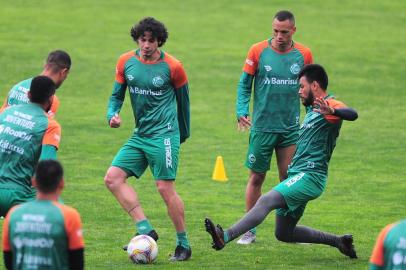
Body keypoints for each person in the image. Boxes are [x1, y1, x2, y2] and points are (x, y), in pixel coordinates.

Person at [205, 64, 358, 259]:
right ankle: (339, 241)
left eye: (302, 86)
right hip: (299, 175)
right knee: (284, 233)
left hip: (310, 176)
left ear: (315, 85)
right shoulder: (314, 110)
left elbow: (353, 114)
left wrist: (333, 112)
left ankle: (224, 235)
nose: (299, 91)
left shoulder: (331, 104)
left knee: (267, 200)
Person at [104, 17, 191, 261]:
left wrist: (182, 134)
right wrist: (112, 114)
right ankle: (145, 229)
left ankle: (183, 244)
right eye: (143, 39)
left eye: (151, 41)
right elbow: (115, 96)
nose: (146, 45)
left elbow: (184, 103)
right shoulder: (125, 62)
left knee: (165, 188)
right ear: (137, 39)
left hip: (164, 136)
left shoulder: (173, 66)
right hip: (140, 135)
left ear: (159, 41)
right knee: (113, 178)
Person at [235, 10, 313, 244]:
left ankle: (288, 230)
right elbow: (244, 84)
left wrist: (311, 116)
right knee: (256, 177)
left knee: (289, 179)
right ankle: (249, 231)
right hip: (262, 127)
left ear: (293, 31)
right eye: (275, 31)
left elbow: (310, 88)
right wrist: (241, 110)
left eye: (284, 32)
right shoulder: (257, 50)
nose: (279, 36)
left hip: (290, 128)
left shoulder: (304, 54)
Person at [2, 160, 84, 270]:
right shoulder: (69, 216)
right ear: (62, 183)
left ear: (34, 182)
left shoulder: (13, 214)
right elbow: (77, 262)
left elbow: (8, 259)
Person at [0, 76, 61, 217]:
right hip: (20, 195)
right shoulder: (50, 125)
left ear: (28, 95)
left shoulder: (5, 113)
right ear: (51, 99)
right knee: (58, 216)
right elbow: (47, 168)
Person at [0, 50, 71, 118]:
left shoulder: (18, 87)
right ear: (64, 72)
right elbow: (44, 127)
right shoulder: (50, 99)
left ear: (45, 65)